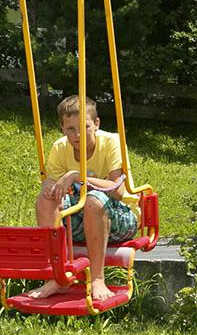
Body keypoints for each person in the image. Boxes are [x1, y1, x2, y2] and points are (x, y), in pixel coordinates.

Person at [26, 95, 141, 304]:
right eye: (70, 129)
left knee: (94, 199)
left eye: (84, 127)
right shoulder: (60, 148)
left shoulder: (112, 142)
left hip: (121, 217)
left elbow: (118, 189)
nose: (77, 134)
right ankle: (59, 276)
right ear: (62, 128)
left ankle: (97, 278)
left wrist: (77, 176)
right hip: (81, 215)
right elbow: (50, 184)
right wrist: (51, 188)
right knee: (45, 200)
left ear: (96, 124)